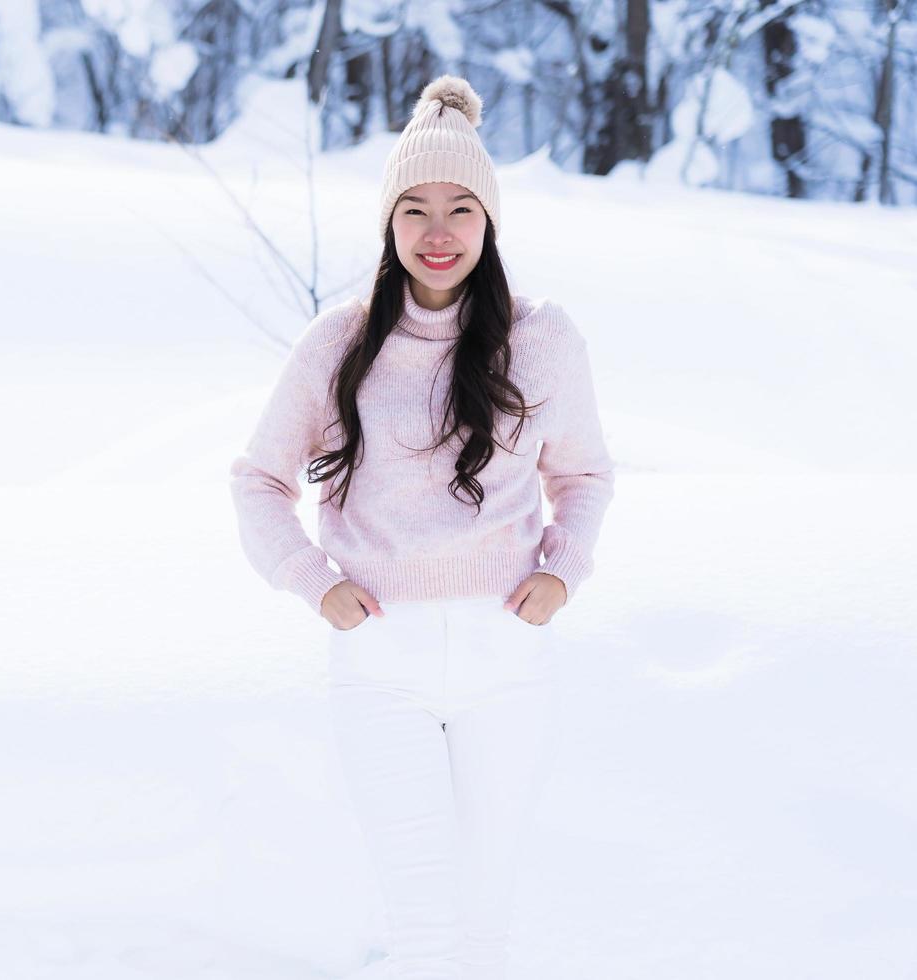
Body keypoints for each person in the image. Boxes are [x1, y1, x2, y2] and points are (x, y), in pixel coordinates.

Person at [226, 75, 615, 980]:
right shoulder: (339, 343)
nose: (437, 233)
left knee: (486, 926)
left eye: (460, 208)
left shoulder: (543, 337)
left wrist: (565, 572)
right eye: (414, 209)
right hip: (381, 667)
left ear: (490, 223)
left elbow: (587, 475)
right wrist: (315, 584)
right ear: (388, 225)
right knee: (422, 924)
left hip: (506, 661)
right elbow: (256, 481)